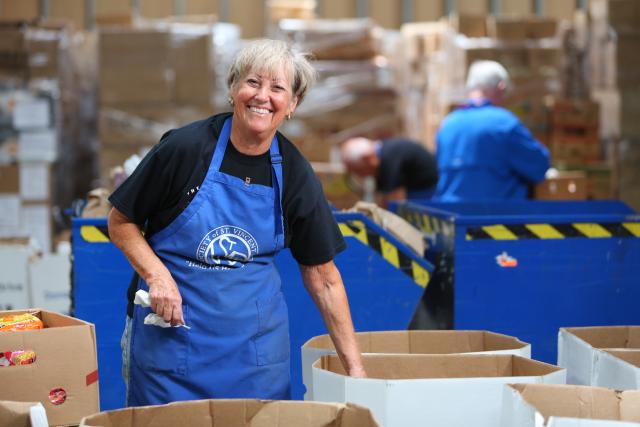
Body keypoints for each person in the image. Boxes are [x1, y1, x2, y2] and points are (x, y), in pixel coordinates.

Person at [107, 39, 366, 407]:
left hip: (254, 361)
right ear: (233, 89)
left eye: (278, 88)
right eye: (253, 82)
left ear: (292, 105)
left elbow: (324, 277)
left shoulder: (294, 172)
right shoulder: (185, 149)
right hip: (172, 349)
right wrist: (158, 276)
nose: (263, 96)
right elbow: (120, 220)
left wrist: (355, 370)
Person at [434, 60, 550, 201]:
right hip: (494, 218)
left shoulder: (447, 125)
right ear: (501, 88)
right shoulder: (504, 124)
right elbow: (539, 167)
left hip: (451, 218)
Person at [341, 137, 438, 206]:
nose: (361, 176)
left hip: (429, 197)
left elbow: (395, 203)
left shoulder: (389, 159)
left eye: (359, 171)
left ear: (368, 159)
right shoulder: (383, 154)